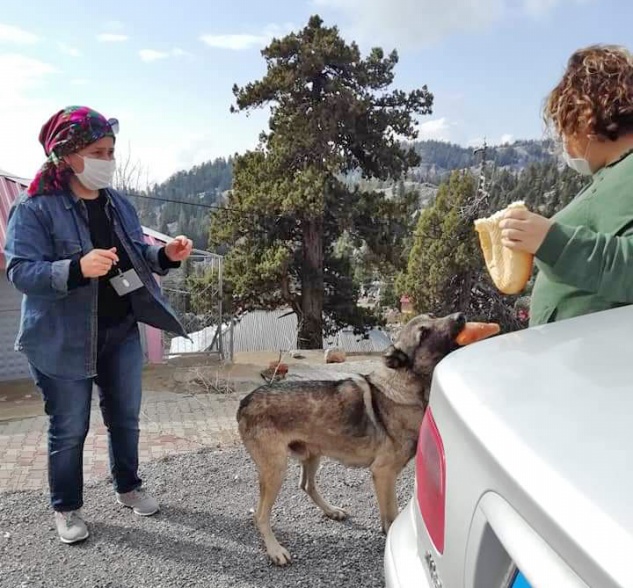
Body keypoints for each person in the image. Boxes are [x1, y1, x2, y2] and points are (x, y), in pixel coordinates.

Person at [4, 106, 193, 544]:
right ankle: (67, 507)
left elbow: (137, 257)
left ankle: (127, 486)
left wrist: (166, 257)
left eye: (111, 151)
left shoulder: (118, 204)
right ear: (67, 153)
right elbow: (20, 272)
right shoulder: (34, 208)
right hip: (60, 339)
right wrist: (75, 268)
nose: (107, 160)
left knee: (125, 419)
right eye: (97, 151)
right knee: (70, 427)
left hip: (121, 330)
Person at [499, 45, 633, 326]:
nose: (563, 143)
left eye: (563, 128)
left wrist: (552, 241)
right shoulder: (610, 175)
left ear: (584, 116)